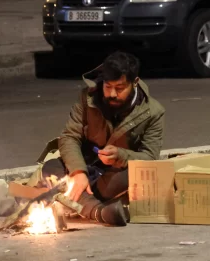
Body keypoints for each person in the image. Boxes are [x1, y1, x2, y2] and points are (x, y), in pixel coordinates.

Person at [40, 52, 165, 226]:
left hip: (114, 175)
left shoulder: (153, 112)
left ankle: (80, 203)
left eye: (120, 88)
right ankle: (101, 212)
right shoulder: (88, 97)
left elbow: (150, 158)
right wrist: (78, 172)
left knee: (137, 175)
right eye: (107, 86)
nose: (112, 93)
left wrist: (121, 156)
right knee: (51, 167)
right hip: (86, 168)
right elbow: (69, 137)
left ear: (135, 83)